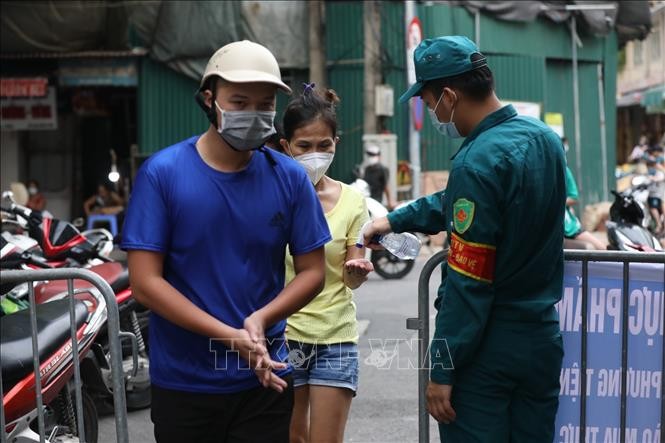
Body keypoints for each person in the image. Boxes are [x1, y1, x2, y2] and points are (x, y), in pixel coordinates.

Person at [121, 40, 331, 443]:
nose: (253, 113)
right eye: (239, 101)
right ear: (208, 100)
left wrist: (260, 319)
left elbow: (313, 272)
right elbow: (146, 283)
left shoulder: (289, 178)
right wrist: (227, 334)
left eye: (264, 103)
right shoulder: (162, 174)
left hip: (266, 378)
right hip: (185, 382)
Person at [362, 36, 566, 442]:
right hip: (541, 340)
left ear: (450, 96)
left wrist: (440, 368)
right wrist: (396, 219)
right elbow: (465, 202)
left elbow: (470, 286)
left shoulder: (477, 161)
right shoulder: (543, 139)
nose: (431, 112)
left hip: (487, 348)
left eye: (428, 101)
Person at [278, 84, 374, 443]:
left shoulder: (352, 201)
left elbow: (353, 272)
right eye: (304, 146)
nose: (315, 155)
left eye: (324, 146)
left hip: (335, 338)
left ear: (336, 143)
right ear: (286, 145)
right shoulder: (270, 196)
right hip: (281, 337)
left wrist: (356, 272)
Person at [561, 138, 607, 250]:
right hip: (550, 231)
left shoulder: (565, 171)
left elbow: (574, 197)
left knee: (603, 249)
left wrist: (557, 201)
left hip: (570, 227)